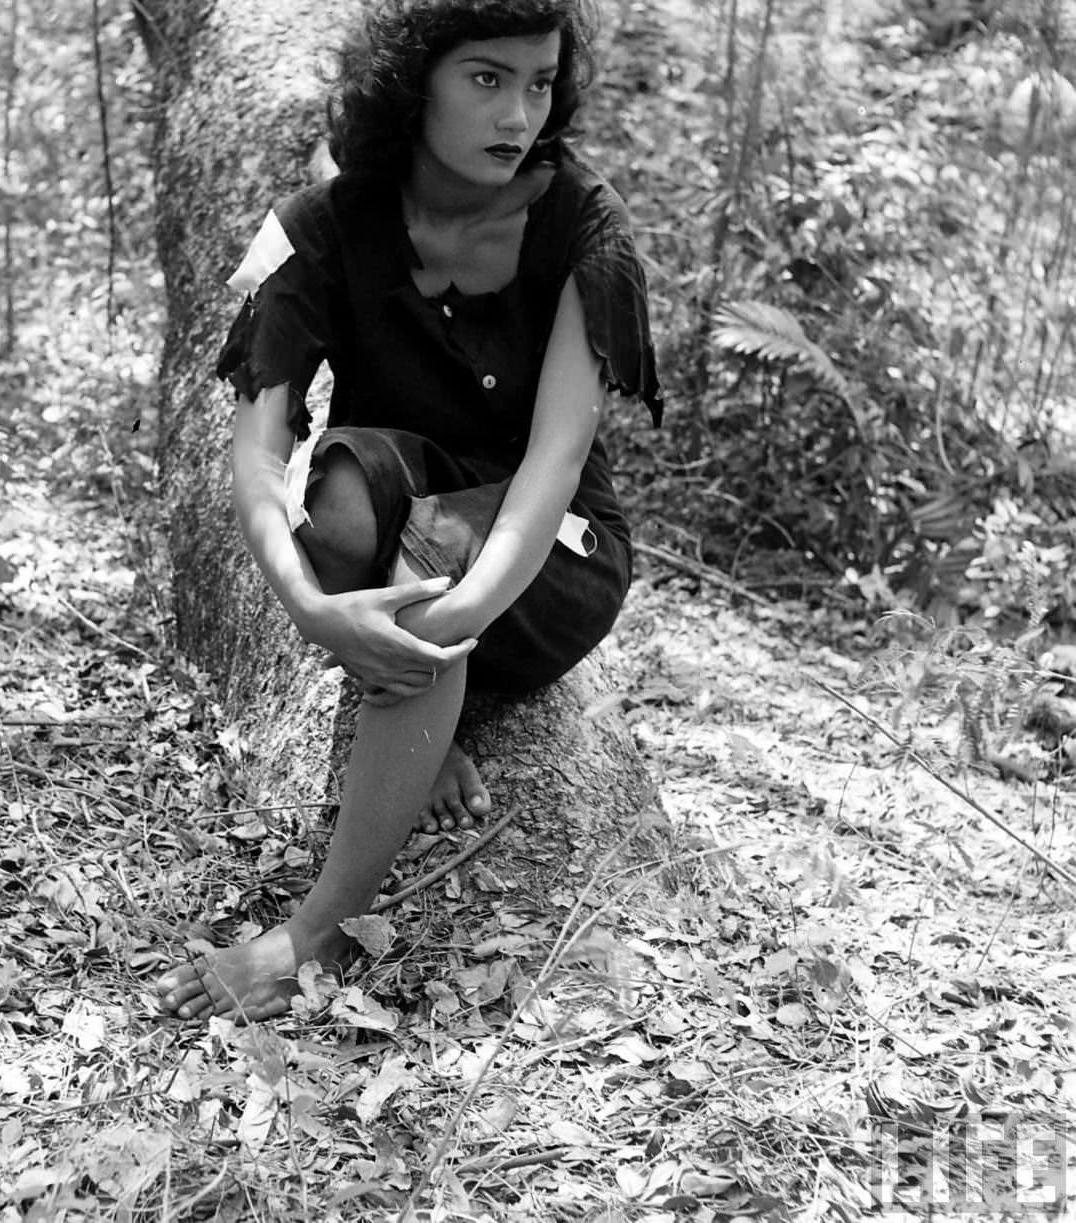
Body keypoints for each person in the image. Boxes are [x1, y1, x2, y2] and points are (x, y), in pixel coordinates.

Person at [157, 0, 662, 1022]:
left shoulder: (583, 225)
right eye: (485, 77)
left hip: (552, 549)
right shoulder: (318, 227)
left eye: (537, 80)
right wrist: (306, 602)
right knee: (338, 495)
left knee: (424, 572)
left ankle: (321, 928)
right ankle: (424, 715)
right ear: (412, 79)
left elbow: (553, 466)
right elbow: (258, 453)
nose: (518, 110)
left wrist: (449, 619)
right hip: (409, 508)